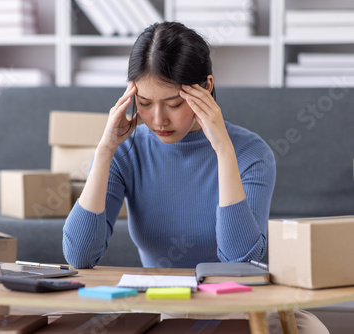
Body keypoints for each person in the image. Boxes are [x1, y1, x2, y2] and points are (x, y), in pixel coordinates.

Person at [62, 22, 328, 334]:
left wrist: (223, 151)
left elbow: (238, 261)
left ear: (206, 87)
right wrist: (105, 150)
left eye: (174, 104)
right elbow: (79, 255)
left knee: (309, 329)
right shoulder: (127, 150)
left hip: (237, 306)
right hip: (161, 307)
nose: (158, 119)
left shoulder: (251, 153)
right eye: (145, 104)